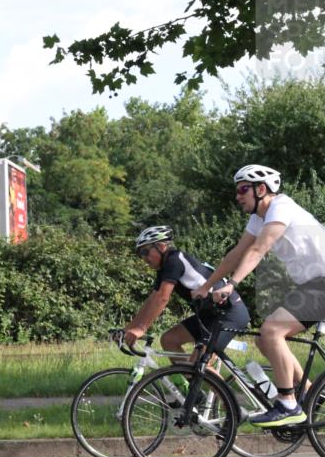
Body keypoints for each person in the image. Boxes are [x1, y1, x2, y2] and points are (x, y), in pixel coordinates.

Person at [193, 164, 325, 427]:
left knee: (272, 331)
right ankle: (311, 395)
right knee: (266, 342)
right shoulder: (259, 217)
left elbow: (257, 250)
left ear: (261, 189)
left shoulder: (281, 208)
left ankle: (288, 403)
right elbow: (236, 253)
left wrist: (231, 284)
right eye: (237, 191)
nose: (238, 196)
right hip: (312, 285)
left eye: (243, 189)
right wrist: (207, 285)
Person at [124, 225, 249, 360]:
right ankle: (184, 381)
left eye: (145, 252)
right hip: (209, 315)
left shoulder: (175, 260)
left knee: (199, 364)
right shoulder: (164, 267)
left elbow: (162, 298)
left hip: (229, 314)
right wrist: (127, 329)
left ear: (160, 246)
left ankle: (204, 379)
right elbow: (152, 300)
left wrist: (142, 328)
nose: (144, 258)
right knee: (169, 340)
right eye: (140, 254)